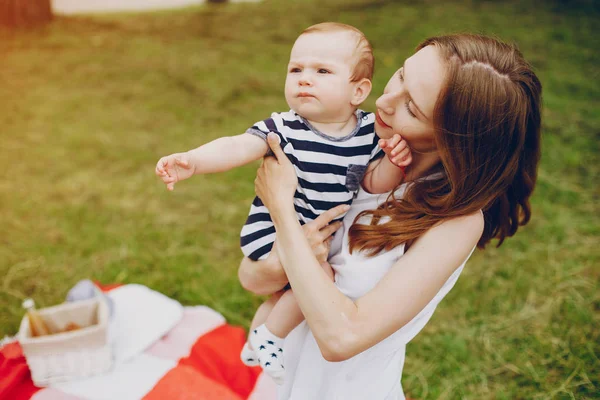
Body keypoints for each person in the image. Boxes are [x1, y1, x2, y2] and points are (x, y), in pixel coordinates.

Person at [241, 33, 542, 399]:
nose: (383, 101)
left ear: (453, 139)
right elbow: (252, 278)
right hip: (279, 379)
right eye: (401, 75)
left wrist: (281, 209)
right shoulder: (357, 153)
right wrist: (278, 260)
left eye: (412, 108)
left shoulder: (456, 221)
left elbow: (341, 338)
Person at [155, 22, 412, 383]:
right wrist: (194, 161)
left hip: (314, 234)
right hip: (275, 230)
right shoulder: (286, 127)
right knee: (324, 278)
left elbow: (372, 182)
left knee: (294, 289)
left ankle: (255, 340)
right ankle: (269, 335)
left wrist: (394, 165)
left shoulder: (369, 133)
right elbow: (238, 145)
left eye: (322, 71)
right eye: (296, 69)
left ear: (358, 90)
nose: (305, 78)